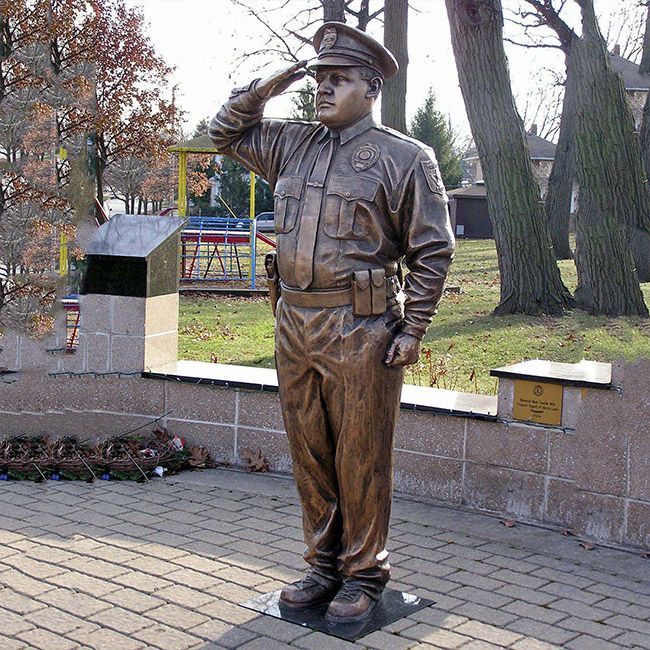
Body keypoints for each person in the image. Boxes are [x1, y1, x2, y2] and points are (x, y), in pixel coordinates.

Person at [209, 22, 454, 623]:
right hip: (294, 319)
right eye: (319, 78)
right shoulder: (293, 144)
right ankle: (323, 565)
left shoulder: (405, 158)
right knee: (310, 450)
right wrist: (271, 85)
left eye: (338, 79)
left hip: (360, 325)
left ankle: (364, 573)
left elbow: (432, 250)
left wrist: (413, 330)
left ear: (371, 89)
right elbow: (224, 131)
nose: (323, 88)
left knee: (360, 454)